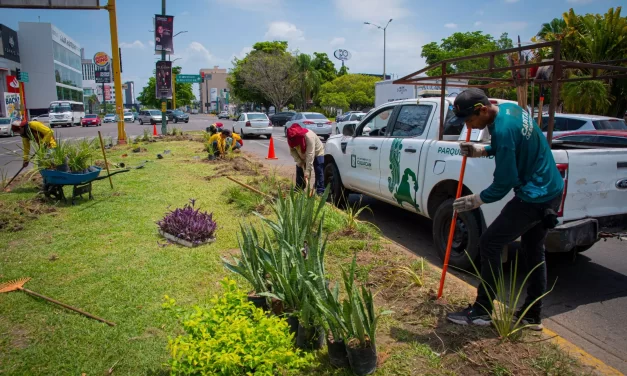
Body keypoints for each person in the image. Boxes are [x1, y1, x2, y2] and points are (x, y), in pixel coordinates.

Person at [445, 88, 563, 331]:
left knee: (490, 243)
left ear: (483, 110)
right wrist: (484, 150)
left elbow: (504, 182)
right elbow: (514, 145)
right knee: (534, 249)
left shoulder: (503, 128)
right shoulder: (510, 110)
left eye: (470, 120)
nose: (470, 125)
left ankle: (482, 311)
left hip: (534, 196)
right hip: (552, 189)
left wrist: (476, 200)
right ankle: (532, 316)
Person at [287, 124, 325, 195]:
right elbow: (292, 151)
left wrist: (307, 171)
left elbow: (310, 154)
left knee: (319, 169)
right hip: (302, 153)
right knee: (299, 167)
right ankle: (299, 187)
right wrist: (299, 161)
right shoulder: (291, 137)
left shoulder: (309, 137)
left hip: (317, 152)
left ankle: (320, 190)